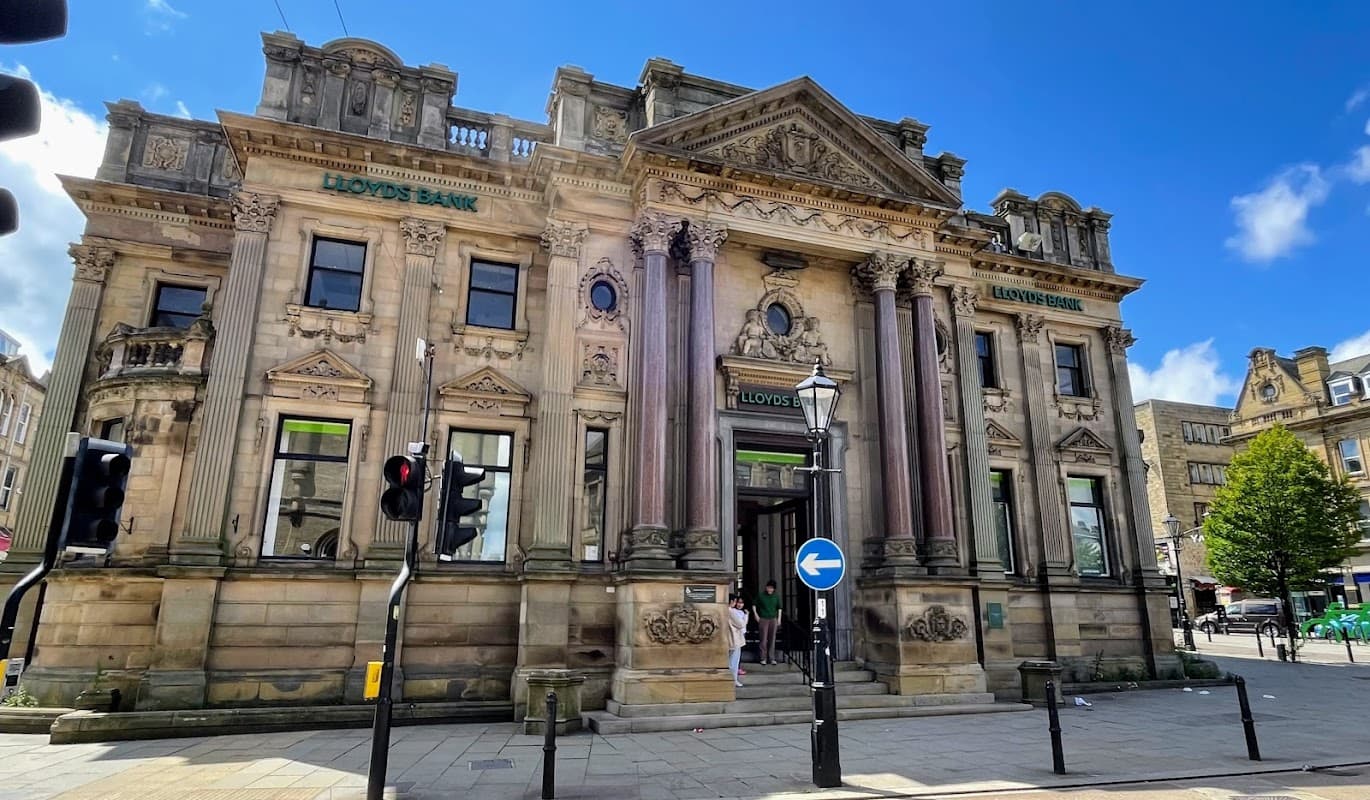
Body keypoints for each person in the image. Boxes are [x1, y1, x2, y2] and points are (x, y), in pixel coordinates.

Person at [754, 580, 782, 665]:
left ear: (774, 589)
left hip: (773, 618)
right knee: (763, 639)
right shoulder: (761, 596)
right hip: (763, 618)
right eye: (769, 587)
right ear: (766, 587)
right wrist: (756, 615)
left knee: (772, 639)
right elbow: (754, 604)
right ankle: (763, 658)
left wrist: (779, 619)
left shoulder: (776, 597)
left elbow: (779, 608)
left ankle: (772, 658)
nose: (770, 589)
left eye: (772, 588)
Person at [727, 594, 748, 688]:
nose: (735, 603)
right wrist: (746, 617)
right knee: (734, 661)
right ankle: (733, 679)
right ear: (731, 602)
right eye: (735, 601)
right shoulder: (730, 611)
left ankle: (732, 679)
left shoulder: (725, 610)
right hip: (734, 637)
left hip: (730, 637)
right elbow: (741, 624)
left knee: (732, 661)